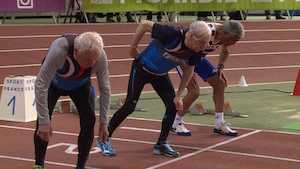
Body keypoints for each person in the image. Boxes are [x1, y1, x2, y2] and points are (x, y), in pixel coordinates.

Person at [96, 20, 211, 157]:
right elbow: (144, 24)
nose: (204, 47)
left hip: (160, 75)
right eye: (203, 43)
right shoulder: (172, 34)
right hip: (141, 70)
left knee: (172, 105)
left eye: (206, 43)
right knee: (129, 106)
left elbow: (189, 71)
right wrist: (133, 47)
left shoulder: (196, 50)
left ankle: (161, 144)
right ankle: (105, 138)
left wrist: (179, 94)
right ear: (192, 35)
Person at [33, 32, 111, 169]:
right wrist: (45, 121)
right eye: (88, 60)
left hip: (79, 86)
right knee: (42, 122)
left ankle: (81, 166)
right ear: (76, 51)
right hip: (53, 84)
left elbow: (104, 88)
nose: (92, 64)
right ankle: (39, 164)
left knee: (89, 120)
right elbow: (40, 83)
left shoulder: (100, 57)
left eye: (95, 60)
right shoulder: (59, 50)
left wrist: (104, 121)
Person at [171, 20, 245, 137]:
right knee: (194, 91)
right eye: (234, 40)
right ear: (225, 33)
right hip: (184, 58)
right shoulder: (207, 32)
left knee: (219, 84)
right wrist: (187, 73)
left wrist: (220, 66)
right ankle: (175, 123)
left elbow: (225, 50)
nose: (233, 43)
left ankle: (219, 124)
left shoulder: (224, 36)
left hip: (198, 58)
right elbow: (183, 47)